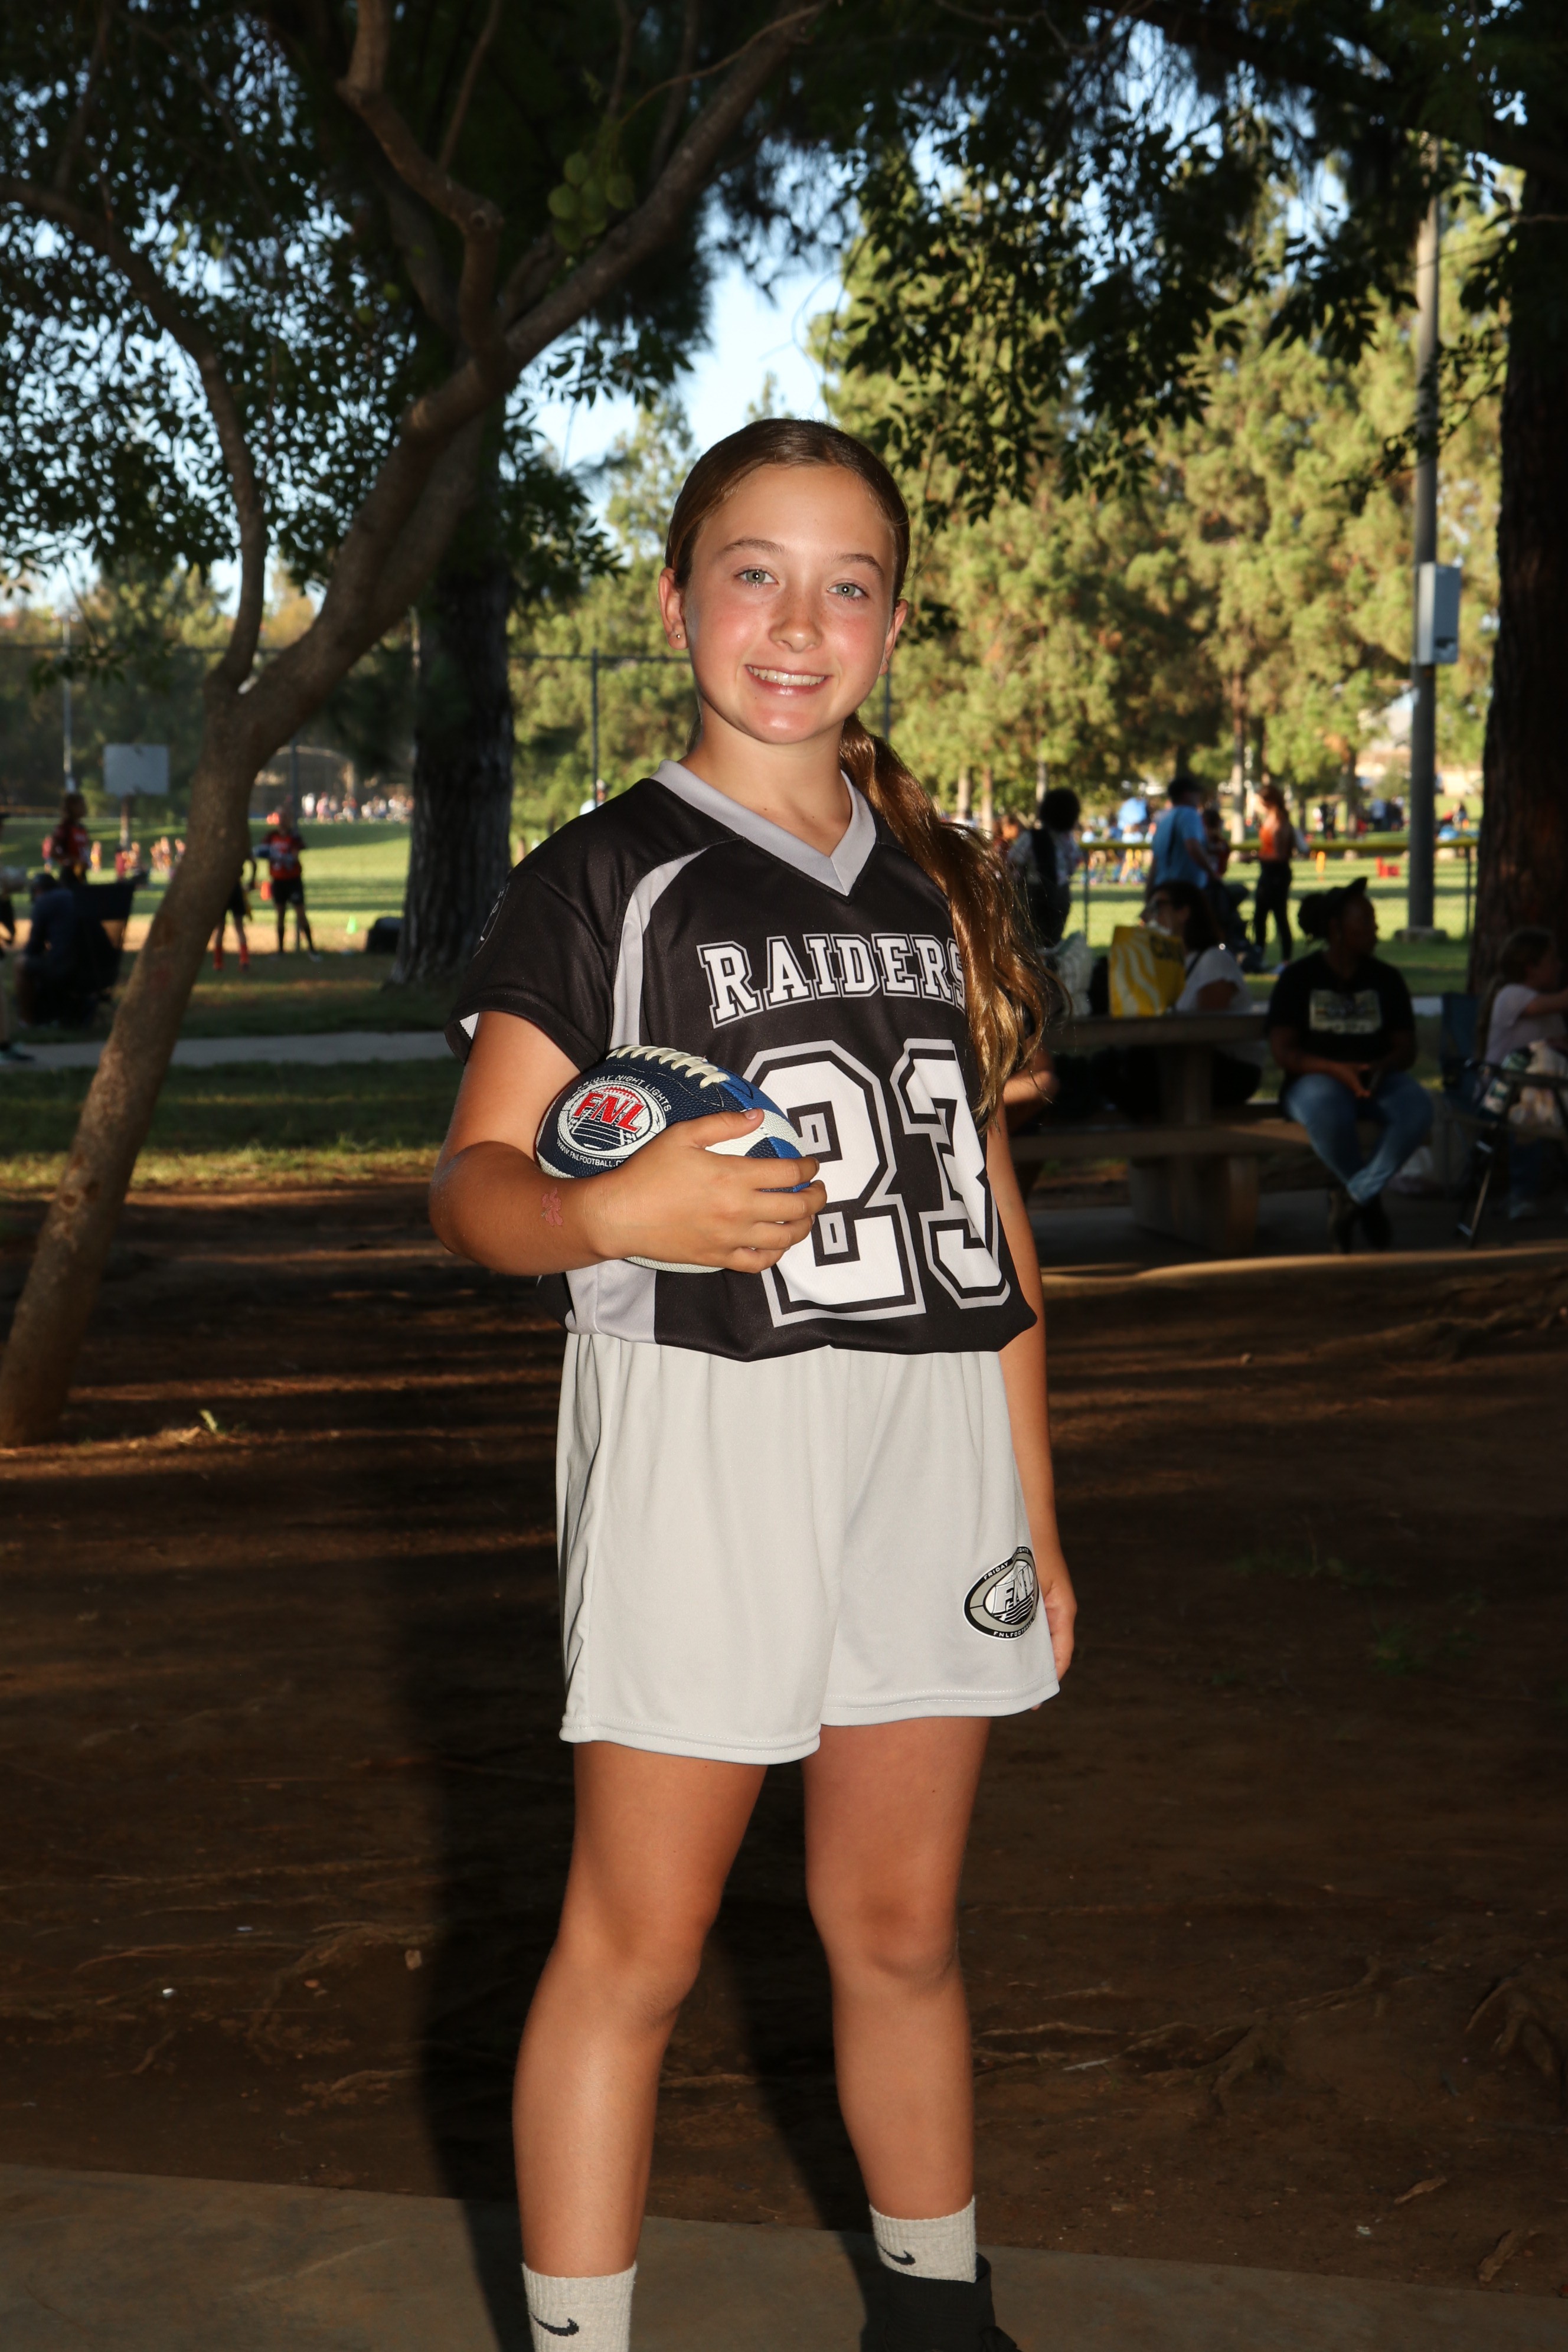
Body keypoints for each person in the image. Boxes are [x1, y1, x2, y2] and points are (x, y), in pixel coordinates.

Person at [431, 419, 1075, 2352]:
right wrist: (604, 1210)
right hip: (709, 1440)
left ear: (893, 622)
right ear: (675, 601)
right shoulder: (603, 874)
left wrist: (1036, 1513)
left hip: (930, 1450)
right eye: (754, 575)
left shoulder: (942, 880)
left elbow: (994, 1225)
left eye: (846, 584)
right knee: (638, 1941)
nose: (798, 624)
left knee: (900, 1927)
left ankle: (939, 2321)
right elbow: (472, 1188)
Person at [1268, 877, 1433, 1251]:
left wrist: (1382, 1066)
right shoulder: (1299, 979)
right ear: (1336, 929)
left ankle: (1355, 1197)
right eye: (1366, 922)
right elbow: (1283, 1052)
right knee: (1329, 1112)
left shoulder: (1386, 979)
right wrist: (1335, 1070)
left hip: (1377, 1078)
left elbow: (1406, 1049)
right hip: (1313, 1079)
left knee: (1417, 1109)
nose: (1376, 930)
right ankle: (1370, 1205)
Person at [1095, 880, 1262, 1118]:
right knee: (1107, 1063)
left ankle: (1154, 1135)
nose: (1147, 917)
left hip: (1227, 1070)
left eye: (1156, 907)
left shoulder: (1214, 960)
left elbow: (1207, 1031)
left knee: (1132, 1064)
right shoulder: (1167, 965)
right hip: (1183, 1062)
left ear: (1184, 912)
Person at [1479, 927, 1568, 1219]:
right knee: (1529, 1108)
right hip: (1500, 1095)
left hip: (1545, 1094)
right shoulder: (1512, 995)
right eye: (1553, 960)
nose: (1560, 966)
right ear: (1531, 968)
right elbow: (1557, 1003)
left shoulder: (1548, 1009)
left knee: (1544, 1101)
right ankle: (1522, 1194)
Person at [1009, 785, 1080, 949]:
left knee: (1029, 940)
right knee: (1053, 940)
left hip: (1033, 892)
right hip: (1061, 893)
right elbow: (1073, 864)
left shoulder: (1031, 837)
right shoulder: (1068, 840)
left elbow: (1013, 860)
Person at [257, 810, 318, 957]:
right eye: (281, 818)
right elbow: (261, 851)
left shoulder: (294, 837)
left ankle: (312, 949)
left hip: (293, 881)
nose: (283, 821)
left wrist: (281, 857)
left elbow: (294, 856)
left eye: (286, 818)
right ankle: (280, 950)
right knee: (280, 914)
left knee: (301, 914)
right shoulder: (271, 836)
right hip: (278, 881)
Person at [1252, 780, 1297, 967]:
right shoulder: (1270, 820)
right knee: (1259, 918)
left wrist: (1256, 857)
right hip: (1268, 873)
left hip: (1276, 875)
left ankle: (1285, 961)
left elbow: (1280, 855)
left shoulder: (1280, 822)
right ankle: (1259, 957)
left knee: (1280, 918)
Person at [213, 845, 257, 973]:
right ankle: (244, 960)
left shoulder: (219, 847)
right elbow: (253, 862)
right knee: (239, 926)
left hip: (222, 889)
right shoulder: (238, 844)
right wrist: (252, 880)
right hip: (235, 887)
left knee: (220, 927)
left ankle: (218, 962)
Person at [43, 789, 91, 881]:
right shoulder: (64, 828)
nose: (84, 808)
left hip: (81, 873)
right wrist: (73, 860)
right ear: (72, 807)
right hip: (69, 875)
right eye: (81, 805)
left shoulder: (82, 828)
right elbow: (53, 852)